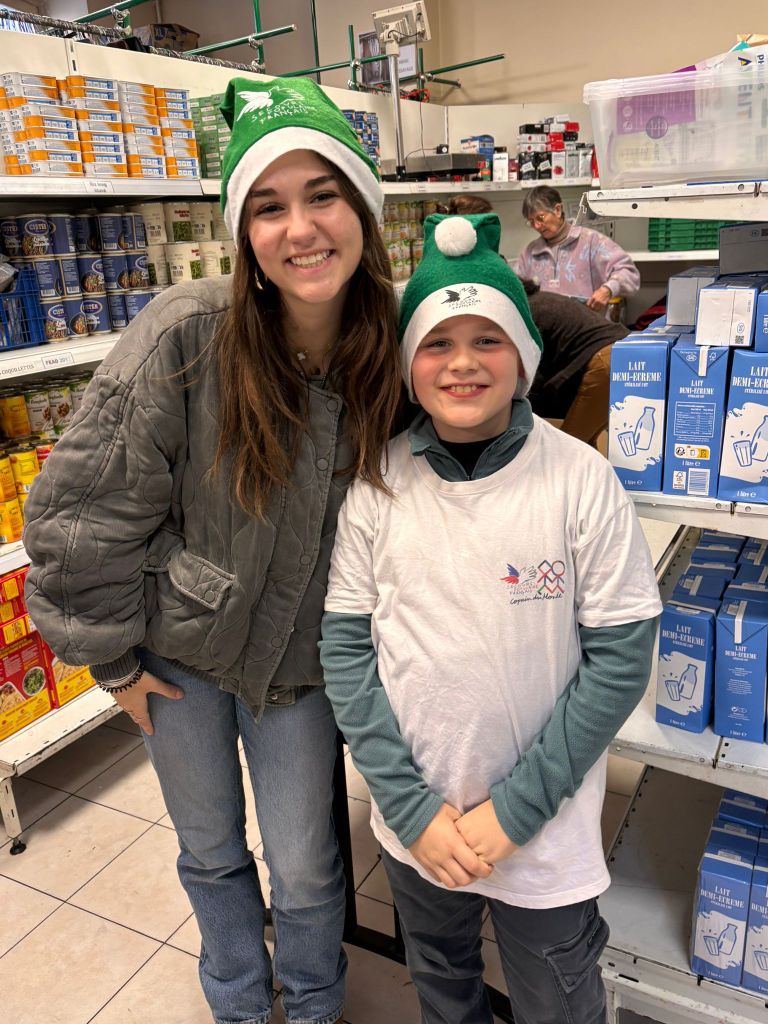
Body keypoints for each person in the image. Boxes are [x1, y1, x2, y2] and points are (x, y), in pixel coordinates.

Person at [23, 76, 402, 1024]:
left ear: (362, 209)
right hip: (177, 661)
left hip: (304, 669)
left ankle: (312, 1004)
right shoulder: (188, 332)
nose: (300, 227)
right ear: (242, 236)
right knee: (209, 849)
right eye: (267, 206)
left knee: (309, 861)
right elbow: (83, 506)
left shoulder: (395, 349)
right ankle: (238, 1002)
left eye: (323, 195)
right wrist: (111, 663)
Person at [319, 213, 661, 1024]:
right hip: (418, 829)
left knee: (558, 995)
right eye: (437, 343)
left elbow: (618, 658)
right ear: (408, 367)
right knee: (442, 982)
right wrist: (406, 806)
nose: (463, 363)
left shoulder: (578, 480)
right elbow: (347, 651)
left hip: (542, 832)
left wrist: (515, 810)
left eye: (489, 340)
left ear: (525, 359)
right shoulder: (377, 487)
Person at [523, 278, 629, 447]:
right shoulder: (544, 299)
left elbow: (532, 378)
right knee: (585, 441)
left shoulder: (528, 312)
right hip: (627, 355)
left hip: (607, 362)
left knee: (566, 448)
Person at [517, 184, 640, 314]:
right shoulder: (529, 253)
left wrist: (608, 290)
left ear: (557, 210)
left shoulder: (591, 242)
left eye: (540, 218)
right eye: (531, 221)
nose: (536, 225)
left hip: (586, 330)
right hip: (542, 331)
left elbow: (629, 273)